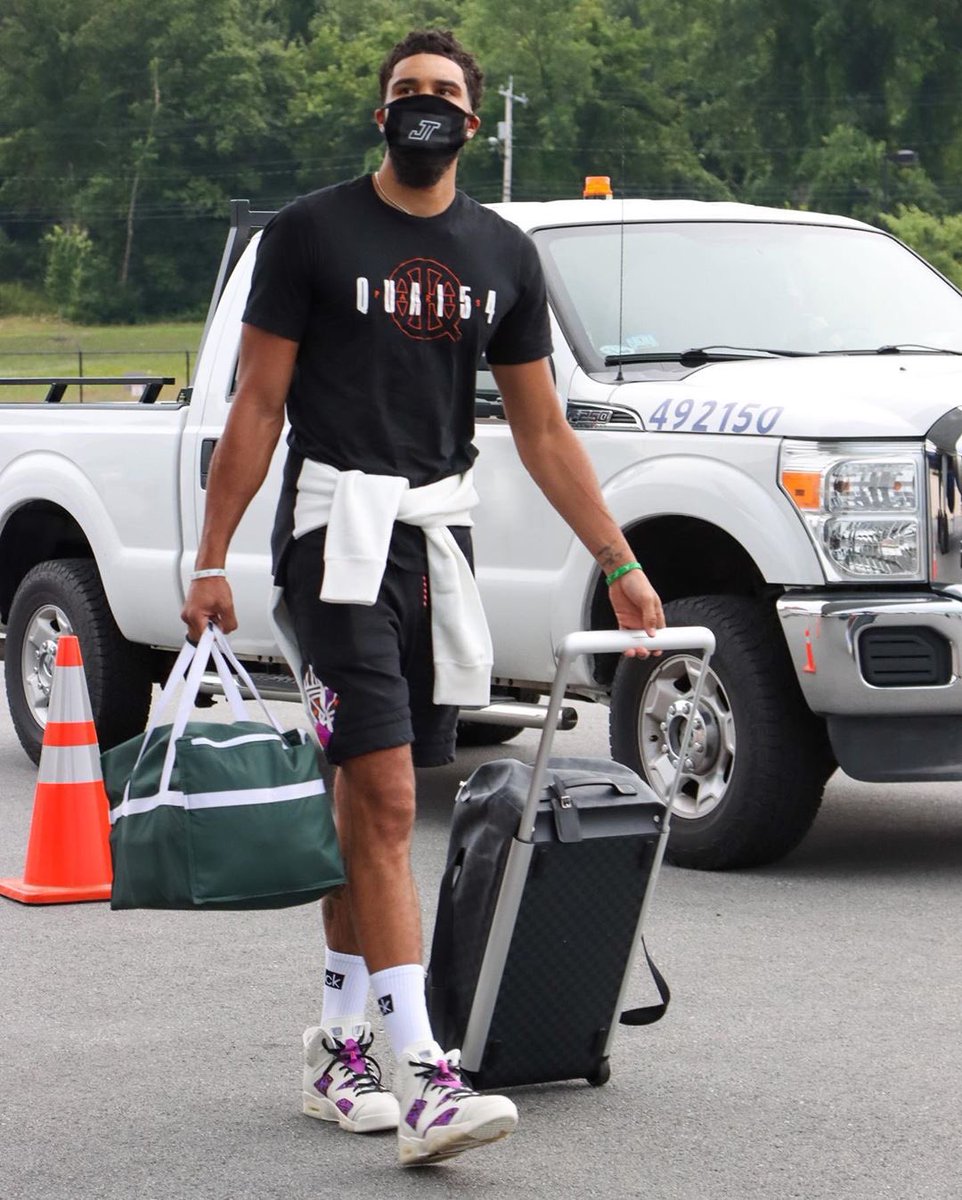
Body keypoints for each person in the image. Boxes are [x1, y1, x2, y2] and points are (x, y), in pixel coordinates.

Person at [181, 27, 664, 1167]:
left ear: (474, 121)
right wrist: (210, 561)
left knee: (368, 812)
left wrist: (620, 560)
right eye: (407, 92)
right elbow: (256, 406)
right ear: (378, 115)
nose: (426, 107)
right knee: (391, 800)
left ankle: (339, 1043)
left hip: (431, 549)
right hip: (332, 542)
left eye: (445, 93)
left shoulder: (500, 252)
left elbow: (541, 429)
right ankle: (430, 1077)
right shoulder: (309, 233)